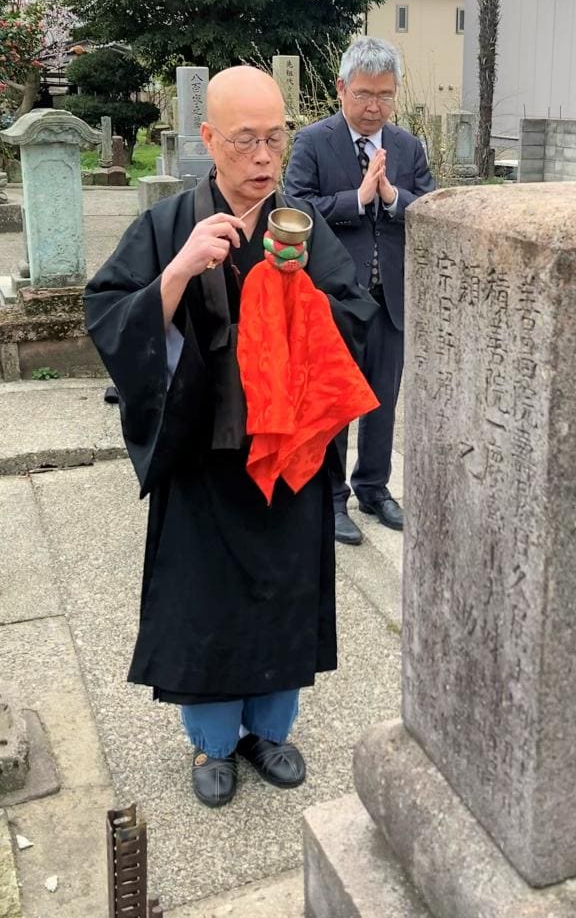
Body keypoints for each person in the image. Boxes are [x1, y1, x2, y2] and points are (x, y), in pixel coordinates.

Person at [84, 67, 377, 808]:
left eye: (275, 138)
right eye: (245, 140)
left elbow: (357, 321)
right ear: (208, 139)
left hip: (288, 463)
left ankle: (268, 732)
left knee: (281, 604)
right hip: (205, 461)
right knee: (206, 609)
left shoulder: (299, 229)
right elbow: (110, 315)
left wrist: (302, 292)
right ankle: (213, 743)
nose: (262, 158)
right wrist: (179, 272)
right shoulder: (167, 226)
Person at [284, 37, 434, 546]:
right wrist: (358, 197)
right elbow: (295, 209)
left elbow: (432, 209)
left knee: (382, 400)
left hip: (390, 297)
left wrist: (393, 197)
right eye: (365, 93)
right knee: (332, 403)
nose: (375, 106)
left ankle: (374, 487)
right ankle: (330, 498)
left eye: (386, 95)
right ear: (341, 88)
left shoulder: (408, 147)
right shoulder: (312, 142)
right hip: (334, 298)